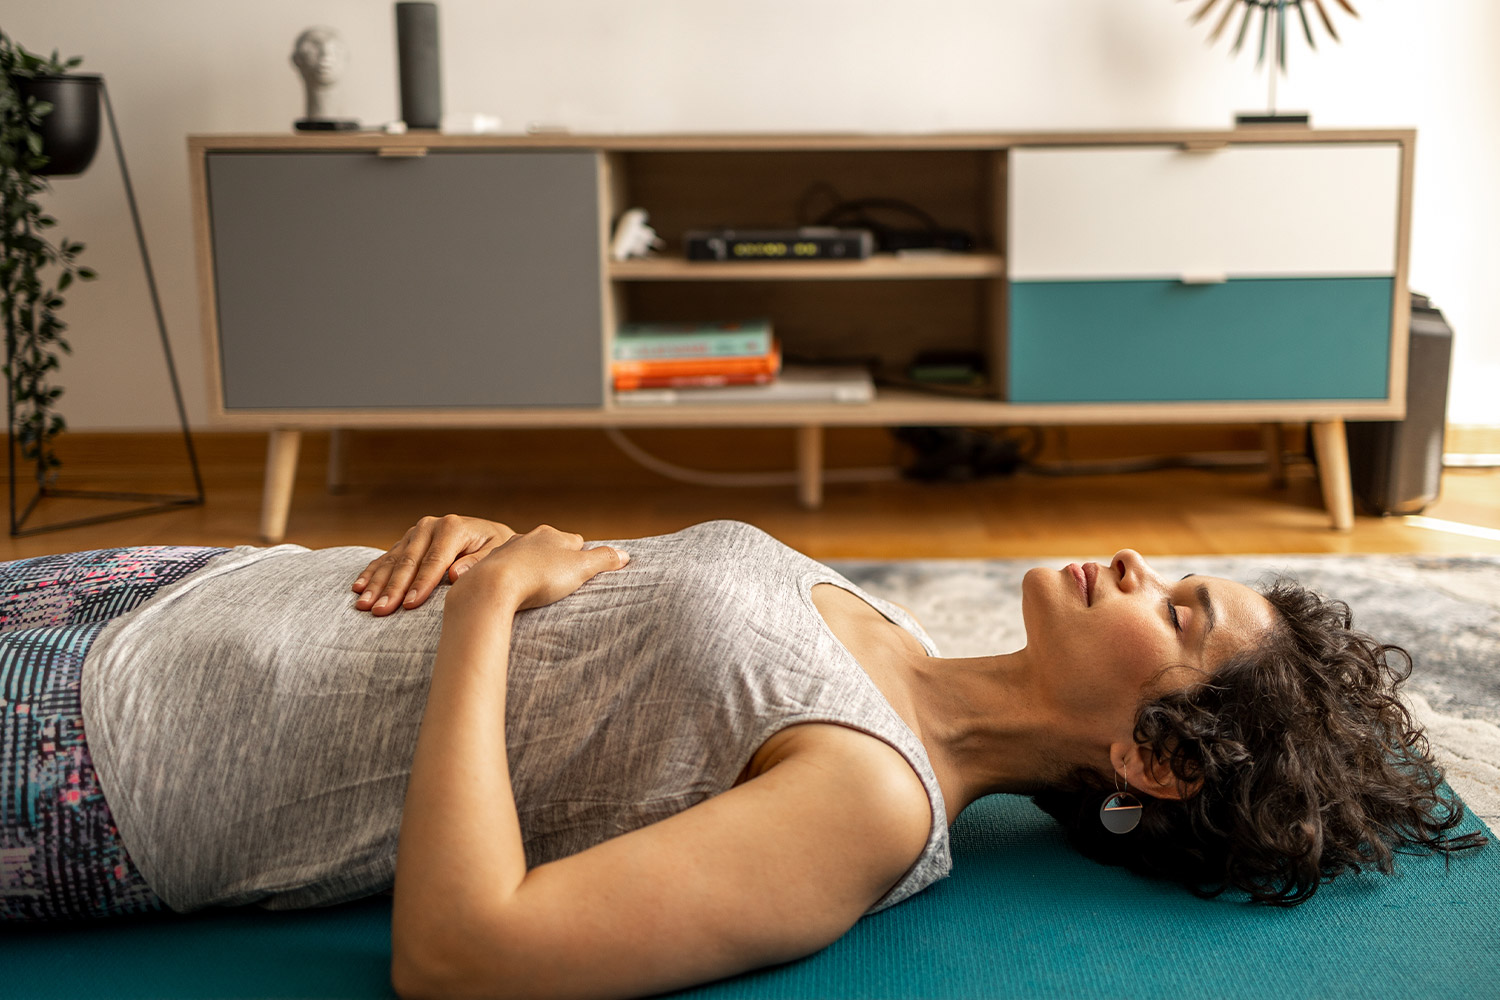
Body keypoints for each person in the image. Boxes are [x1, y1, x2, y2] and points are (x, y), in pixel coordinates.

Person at [0, 515, 1483, 1000]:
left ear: (1154, 760)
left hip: (102, 749)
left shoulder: (868, 799)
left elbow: (463, 952)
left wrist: (495, 607)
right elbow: (603, 639)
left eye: (1179, 610)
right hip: (181, 593)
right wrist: (480, 548)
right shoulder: (888, 624)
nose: (1136, 561)